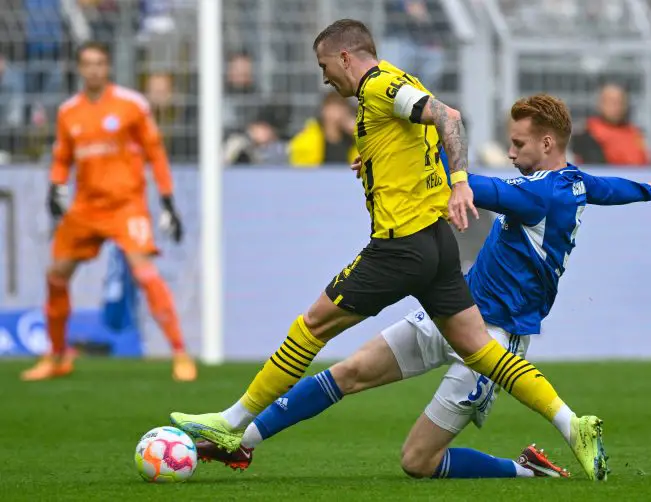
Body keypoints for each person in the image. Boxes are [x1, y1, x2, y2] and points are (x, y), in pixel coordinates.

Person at [171, 20, 606, 481]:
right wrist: (377, 155)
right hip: (437, 247)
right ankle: (571, 423)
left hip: (402, 247)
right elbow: (420, 134)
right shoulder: (399, 83)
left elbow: (448, 117)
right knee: (442, 357)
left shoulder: (379, 85)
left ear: (344, 58)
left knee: (313, 325)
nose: (324, 78)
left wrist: (459, 181)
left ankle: (231, 422)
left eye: (324, 66)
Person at [193, 95, 651, 479]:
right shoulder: (574, 182)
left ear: (548, 145)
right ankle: (243, 441)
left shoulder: (535, 193)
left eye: (518, 144)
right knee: (349, 372)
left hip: (497, 336)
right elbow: (609, 189)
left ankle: (527, 470)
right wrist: (649, 189)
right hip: (454, 308)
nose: (511, 151)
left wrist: (398, 171)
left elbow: (474, 186)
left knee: (417, 461)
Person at [20, 41, 197, 382]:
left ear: (108, 67)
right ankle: (56, 357)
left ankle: (180, 353)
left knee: (145, 273)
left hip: (126, 205)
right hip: (85, 208)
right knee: (55, 275)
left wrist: (167, 200)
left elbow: (155, 153)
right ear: (79, 68)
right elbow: (62, 158)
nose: (94, 69)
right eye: (88, 63)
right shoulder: (68, 111)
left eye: (100, 63)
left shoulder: (131, 105)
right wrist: (56, 186)